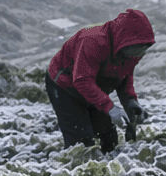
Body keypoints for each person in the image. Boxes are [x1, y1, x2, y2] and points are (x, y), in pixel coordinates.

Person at [45, 8, 156, 151]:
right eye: (136, 49)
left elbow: (125, 76)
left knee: (109, 141)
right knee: (81, 146)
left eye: (143, 49)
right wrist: (109, 108)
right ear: (123, 41)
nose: (139, 54)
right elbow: (82, 81)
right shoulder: (92, 41)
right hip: (65, 87)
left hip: (94, 88)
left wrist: (130, 101)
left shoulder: (131, 52)